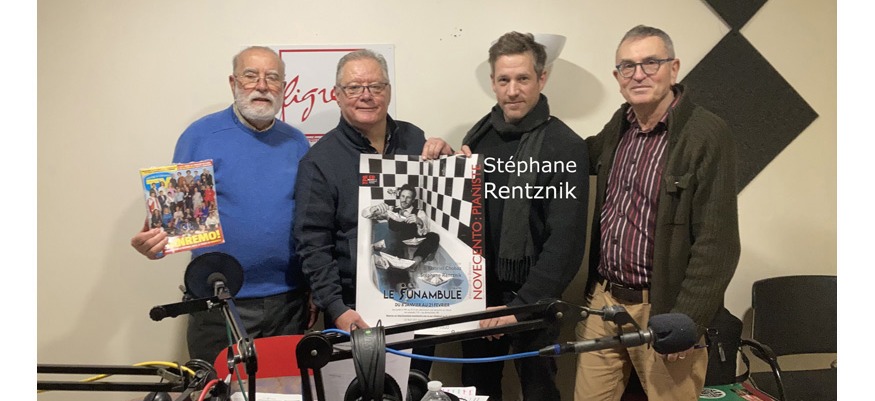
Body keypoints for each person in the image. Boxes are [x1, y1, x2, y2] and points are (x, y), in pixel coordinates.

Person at [573, 25, 740, 401]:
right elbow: (572, 157)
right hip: (605, 302)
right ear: (617, 77)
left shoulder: (706, 134)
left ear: (673, 69)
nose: (639, 74)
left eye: (651, 62)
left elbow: (718, 243)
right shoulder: (620, 126)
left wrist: (688, 320)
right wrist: (475, 160)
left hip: (663, 307)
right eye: (628, 66)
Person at [422, 31, 589, 401]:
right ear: (493, 82)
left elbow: (565, 245)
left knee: (539, 391)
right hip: (479, 298)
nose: (513, 91)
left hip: (535, 302)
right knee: (478, 389)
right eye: (504, 80)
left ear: (542, 78)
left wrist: (518, 309)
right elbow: (464, 216)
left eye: (523, 79)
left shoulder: (565, 146)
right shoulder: (479, 137)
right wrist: (444, 163)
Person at [129, 46, 315, 362]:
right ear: (233, 83)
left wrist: (313, 288)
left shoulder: (296, 142)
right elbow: (177, 223)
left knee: (284, 386)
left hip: (288, 303)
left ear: (283, 87)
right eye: (251, 76)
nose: (262, 85)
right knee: (219, 385)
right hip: (219, 303)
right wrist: (157, 245)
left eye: (272, 78)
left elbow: (310, 219)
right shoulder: (200, 136)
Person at [293, 49, 435, 374]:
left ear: (388, 91)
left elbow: (438, 202)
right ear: (337, 95)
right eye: (354, 87)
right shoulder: (320, 161)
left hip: (420, 300)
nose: (366, 95)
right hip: (355, 310)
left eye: (376, 86)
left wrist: (451, 158)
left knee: (416, 387)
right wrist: (336, 308)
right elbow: (312, 243)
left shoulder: (415, 140)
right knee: (363, 390)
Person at [361, 184, 440, 292]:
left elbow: (424, 233)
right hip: (396, 244)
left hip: (413, 244)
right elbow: (365, 214)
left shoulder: (419, 212)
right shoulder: (391, 211)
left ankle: (416, 261)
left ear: (413, 200)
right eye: (402, 196)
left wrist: (419, 222)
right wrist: (374, 208)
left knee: (434, 236)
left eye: (408, 197)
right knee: (394, 248)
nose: (404, 200)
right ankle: (402, 283)